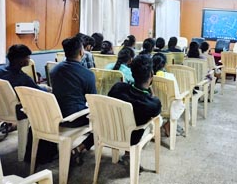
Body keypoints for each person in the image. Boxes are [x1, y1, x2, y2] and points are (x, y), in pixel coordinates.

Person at [50, 36, 97, 166]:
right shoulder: (88, 74)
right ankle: (80, 148)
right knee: (102, 120)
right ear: (81, 52)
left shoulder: (54, 70)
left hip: (55, 115)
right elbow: (93, 102)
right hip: (74, 119)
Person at [108, 54, 161, 164]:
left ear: (132, 73)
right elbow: (154, 112)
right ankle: (129, 153)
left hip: (111, 133)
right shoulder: (153, 103)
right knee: (157, 121)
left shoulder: (117, 87)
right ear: (151, 74)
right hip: (132, 139)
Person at [152, 53, 184, 137]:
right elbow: (176, 94)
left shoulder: (149, 76)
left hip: (154, 105)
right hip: (168, 108)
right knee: (181, 102)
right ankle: (168, 124)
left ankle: (164, 124)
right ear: (164, 64)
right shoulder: (169, 76)